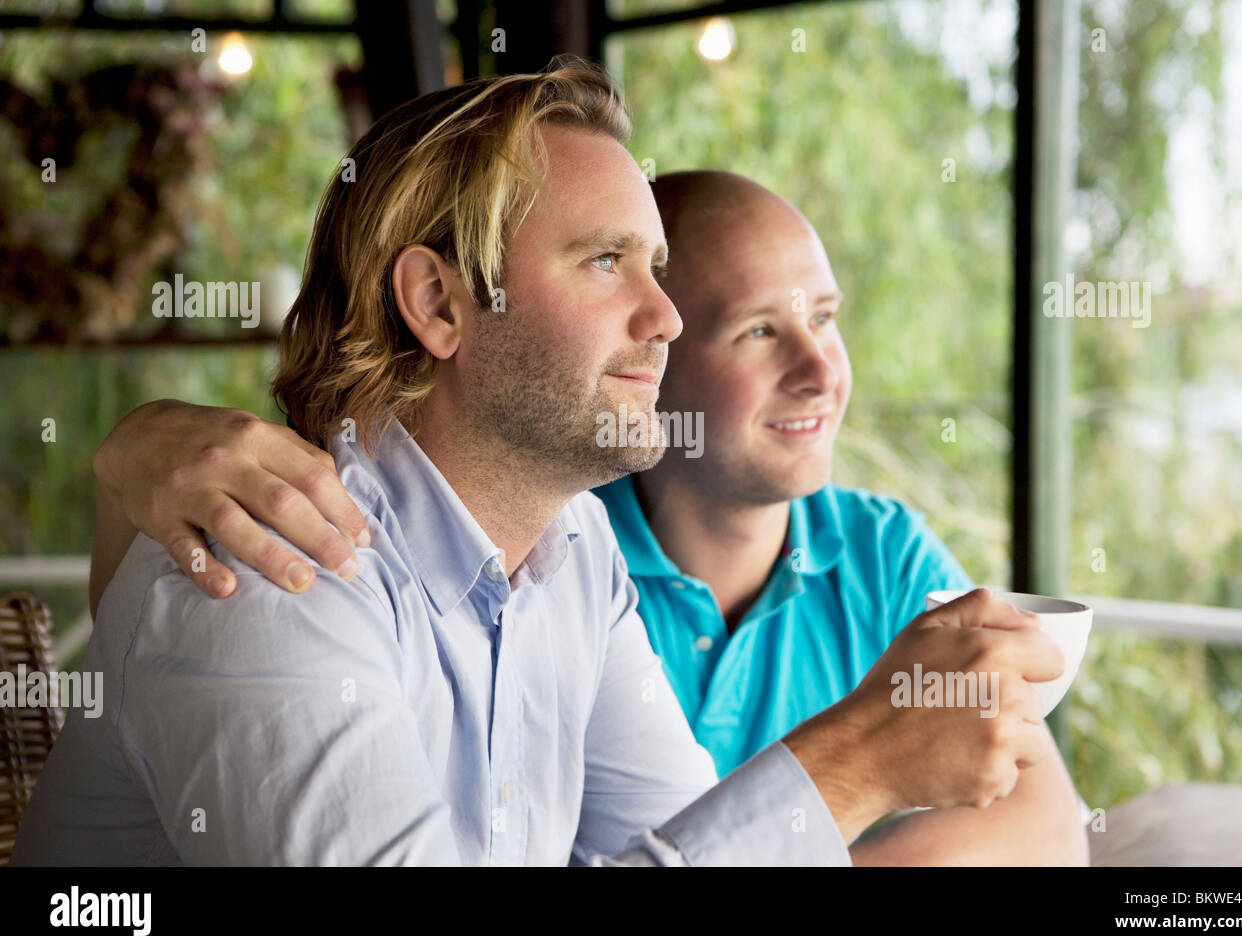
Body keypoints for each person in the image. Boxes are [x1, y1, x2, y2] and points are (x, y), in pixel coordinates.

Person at [17, 60, 1082, 866]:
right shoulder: (273, 570)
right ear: (438, 303)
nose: (664, 315)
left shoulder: (567, 554)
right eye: (606, 261)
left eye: (655, 266)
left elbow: (681, 842)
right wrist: (858, 757)